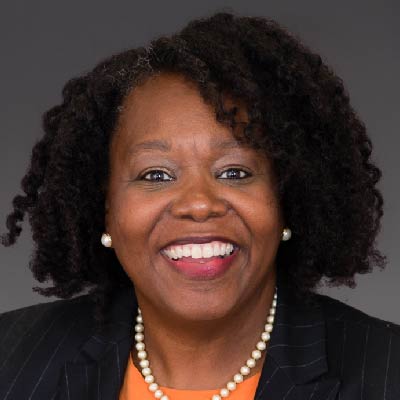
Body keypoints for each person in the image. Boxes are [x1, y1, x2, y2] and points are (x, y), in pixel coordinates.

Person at [0, 11, 398, 400]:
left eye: (235, 172)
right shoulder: (11, 357)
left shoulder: (387, 371)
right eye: (155, 175)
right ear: (105, 208)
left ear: (285, 199)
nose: (199, 204)